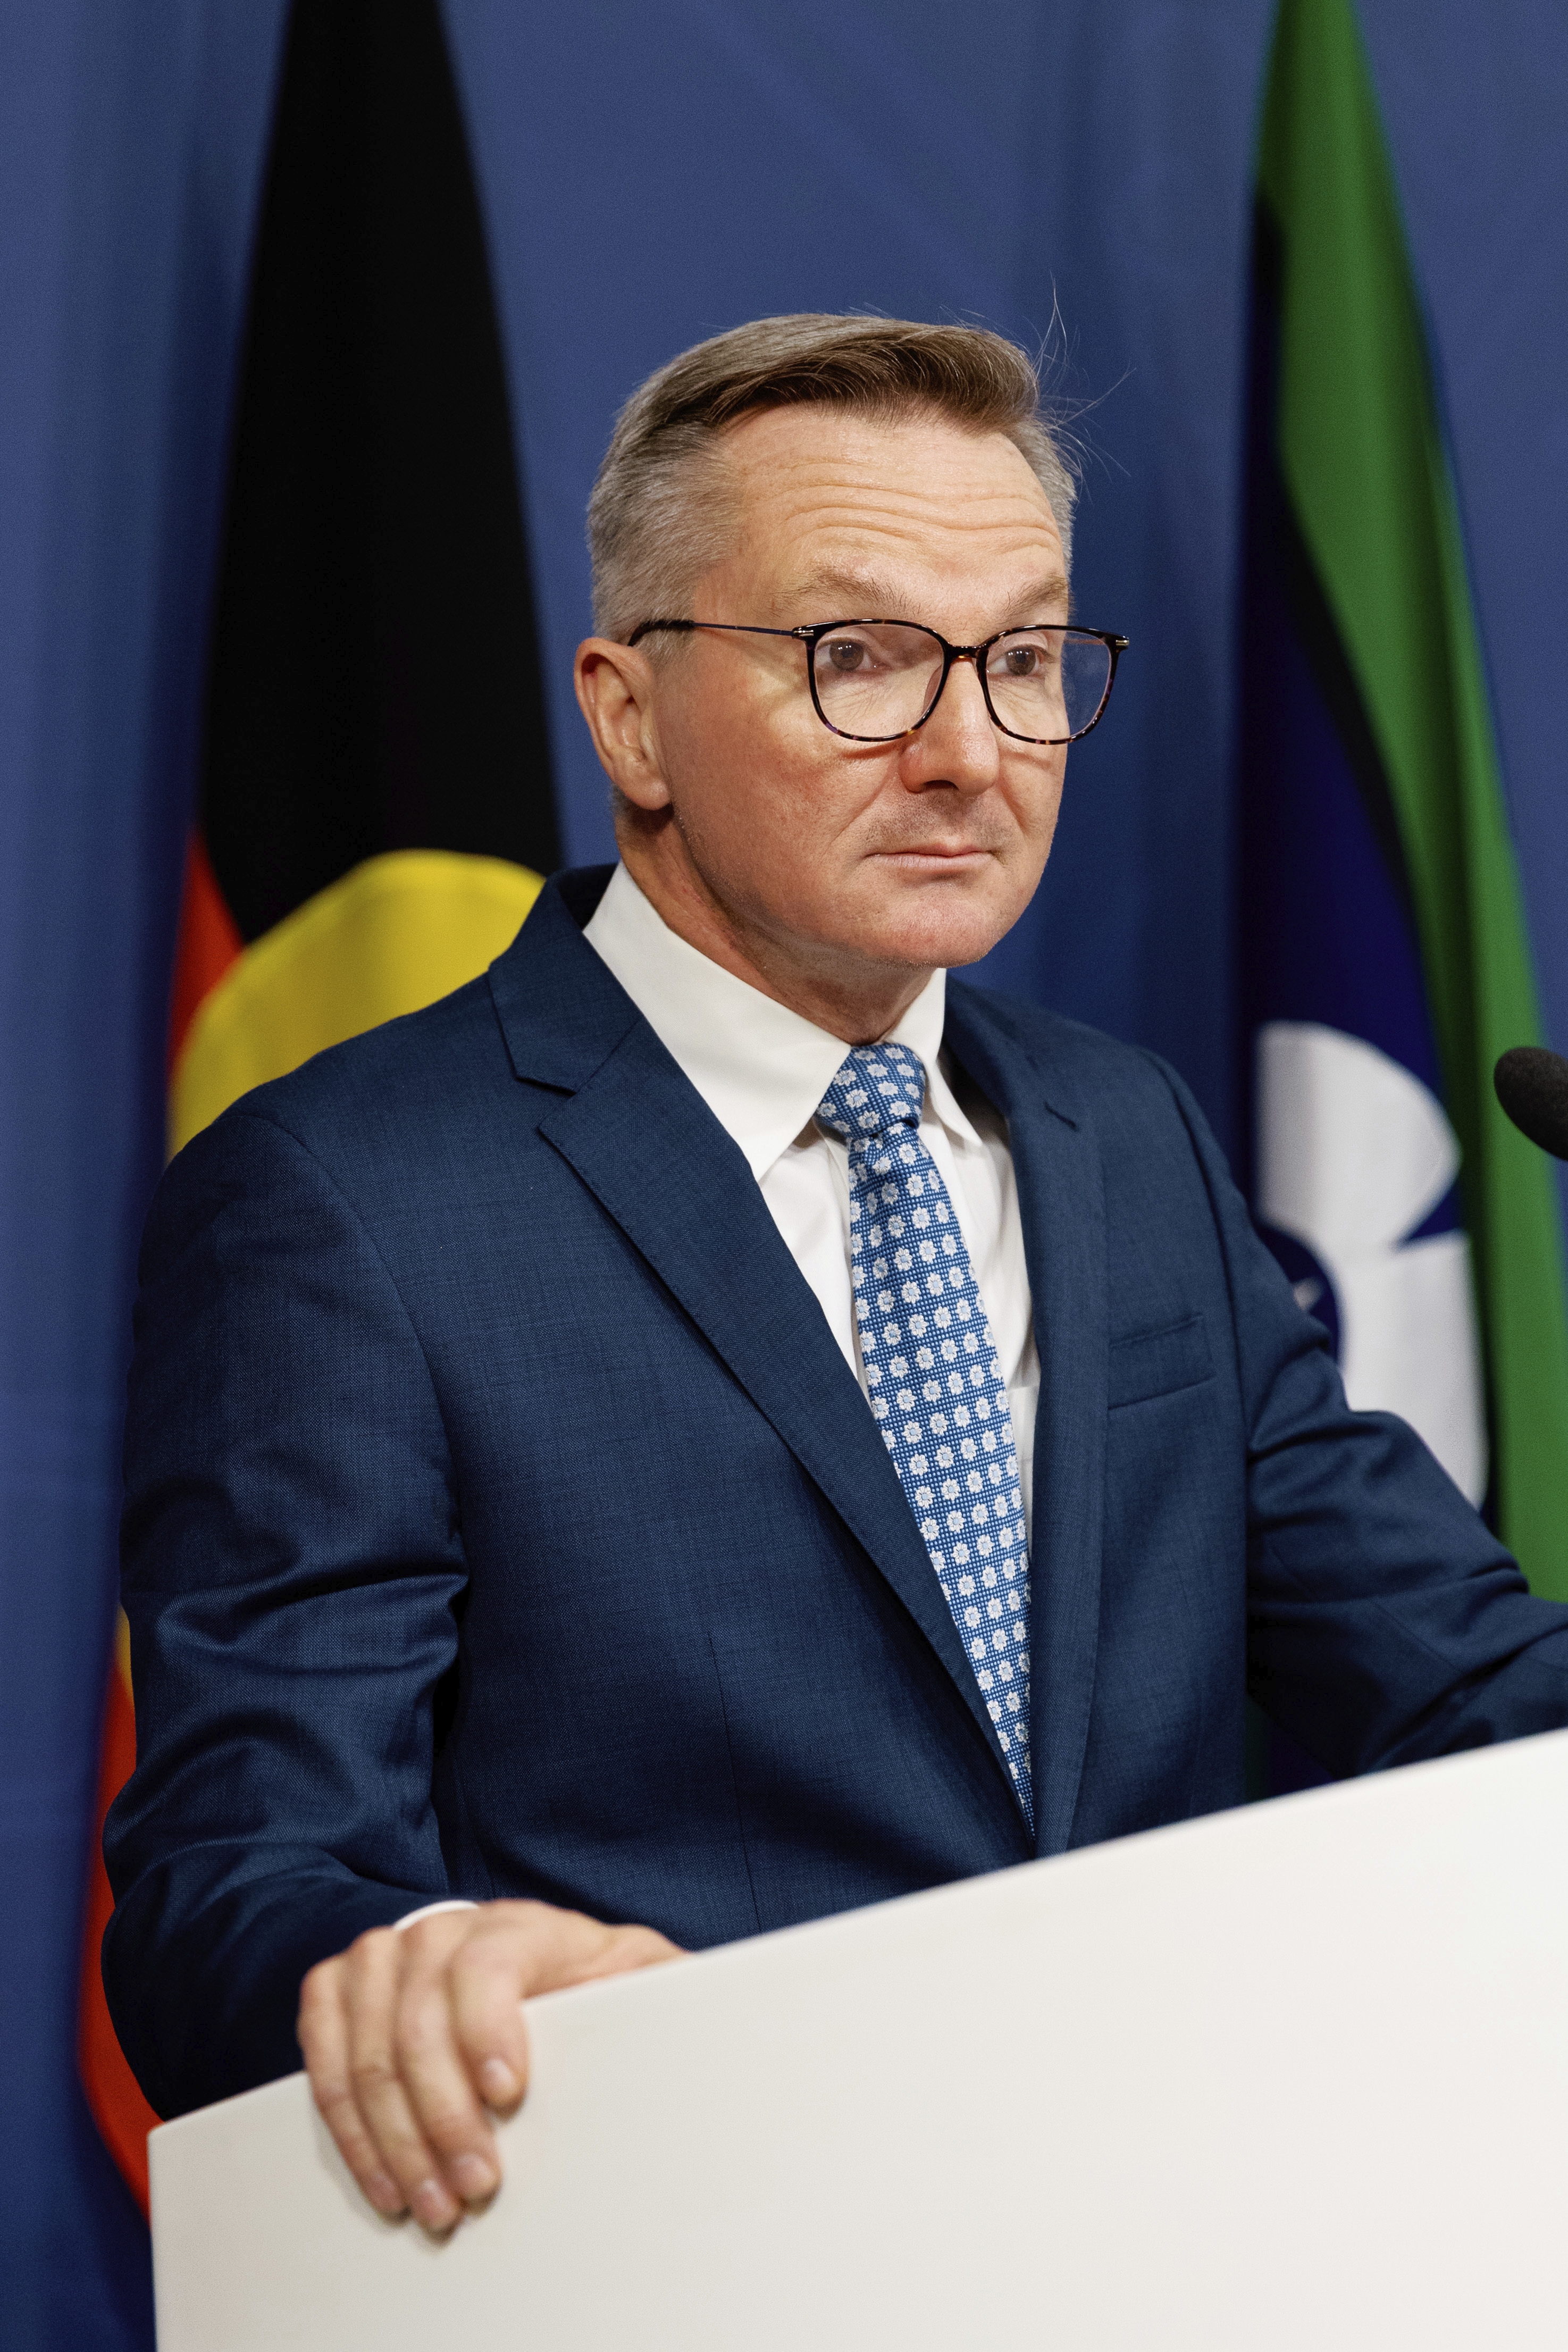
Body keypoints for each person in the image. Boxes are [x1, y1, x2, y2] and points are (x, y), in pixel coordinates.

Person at [105, 314, 1568, 2238]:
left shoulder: (1125, 1135)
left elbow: (1472, 1688)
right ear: (628, 714)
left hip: (1164, 2243)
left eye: (1029, 662)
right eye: (858, 659)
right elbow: (237, 1870)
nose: (972, 753)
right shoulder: (347, 1199)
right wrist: (418, 1966)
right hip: (672, 2248)